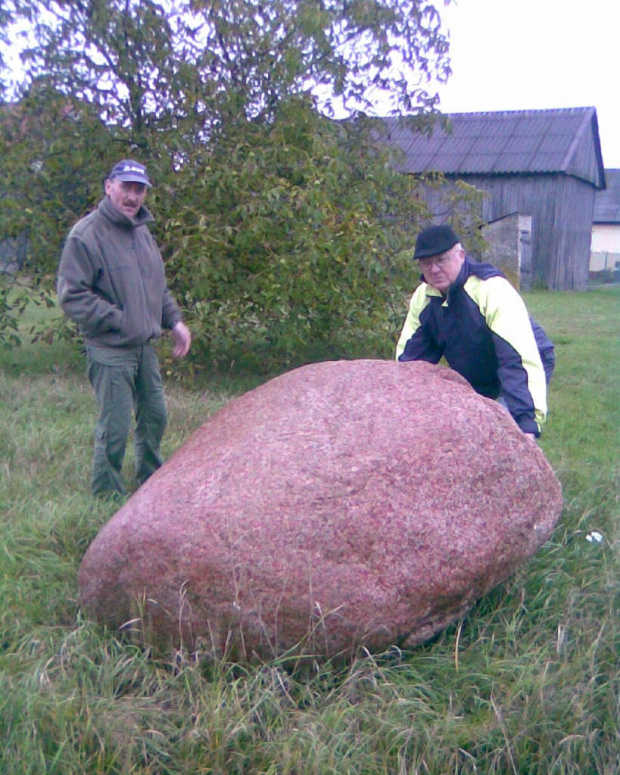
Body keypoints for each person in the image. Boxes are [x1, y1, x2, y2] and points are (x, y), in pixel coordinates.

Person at [57, 159, 192, 497]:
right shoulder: (85, 235)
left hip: (144, 347)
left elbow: (156, 287)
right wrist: (120, 320)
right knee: (115, 427)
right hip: (110, 350)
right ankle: (106, 497)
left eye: (139, 189)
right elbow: (71, 296)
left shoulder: (141, 232)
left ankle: (150, 480)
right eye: (125, 187)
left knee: (155, 416)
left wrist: (174, 322)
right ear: (108, 186)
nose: (132, 196)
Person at [395, 224, 555, 439]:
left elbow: (516, 358)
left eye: (441, 260)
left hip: (523, 364)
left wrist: (526, 424)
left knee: (506, 436)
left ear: (460, 255)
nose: (434, 269)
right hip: (478, 372)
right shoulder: (424, 298)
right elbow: (410, 361)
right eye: (426, 263)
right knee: (474, 435)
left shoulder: (491, 289)